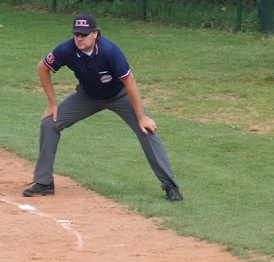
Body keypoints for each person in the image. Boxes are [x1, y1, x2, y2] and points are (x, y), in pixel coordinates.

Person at [24, 14, 183, 202]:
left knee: (146, 129)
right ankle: (44, 182)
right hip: (87, 97)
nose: (79, 38)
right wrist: (52, 104)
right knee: (49, 123)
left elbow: (129, 81)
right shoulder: (66, 49)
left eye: (84, 34)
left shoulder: (110, 51)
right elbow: (42, 68)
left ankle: (170, 186)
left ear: (95, 34)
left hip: (119, 96)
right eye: (76, 34)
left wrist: (141, 116)